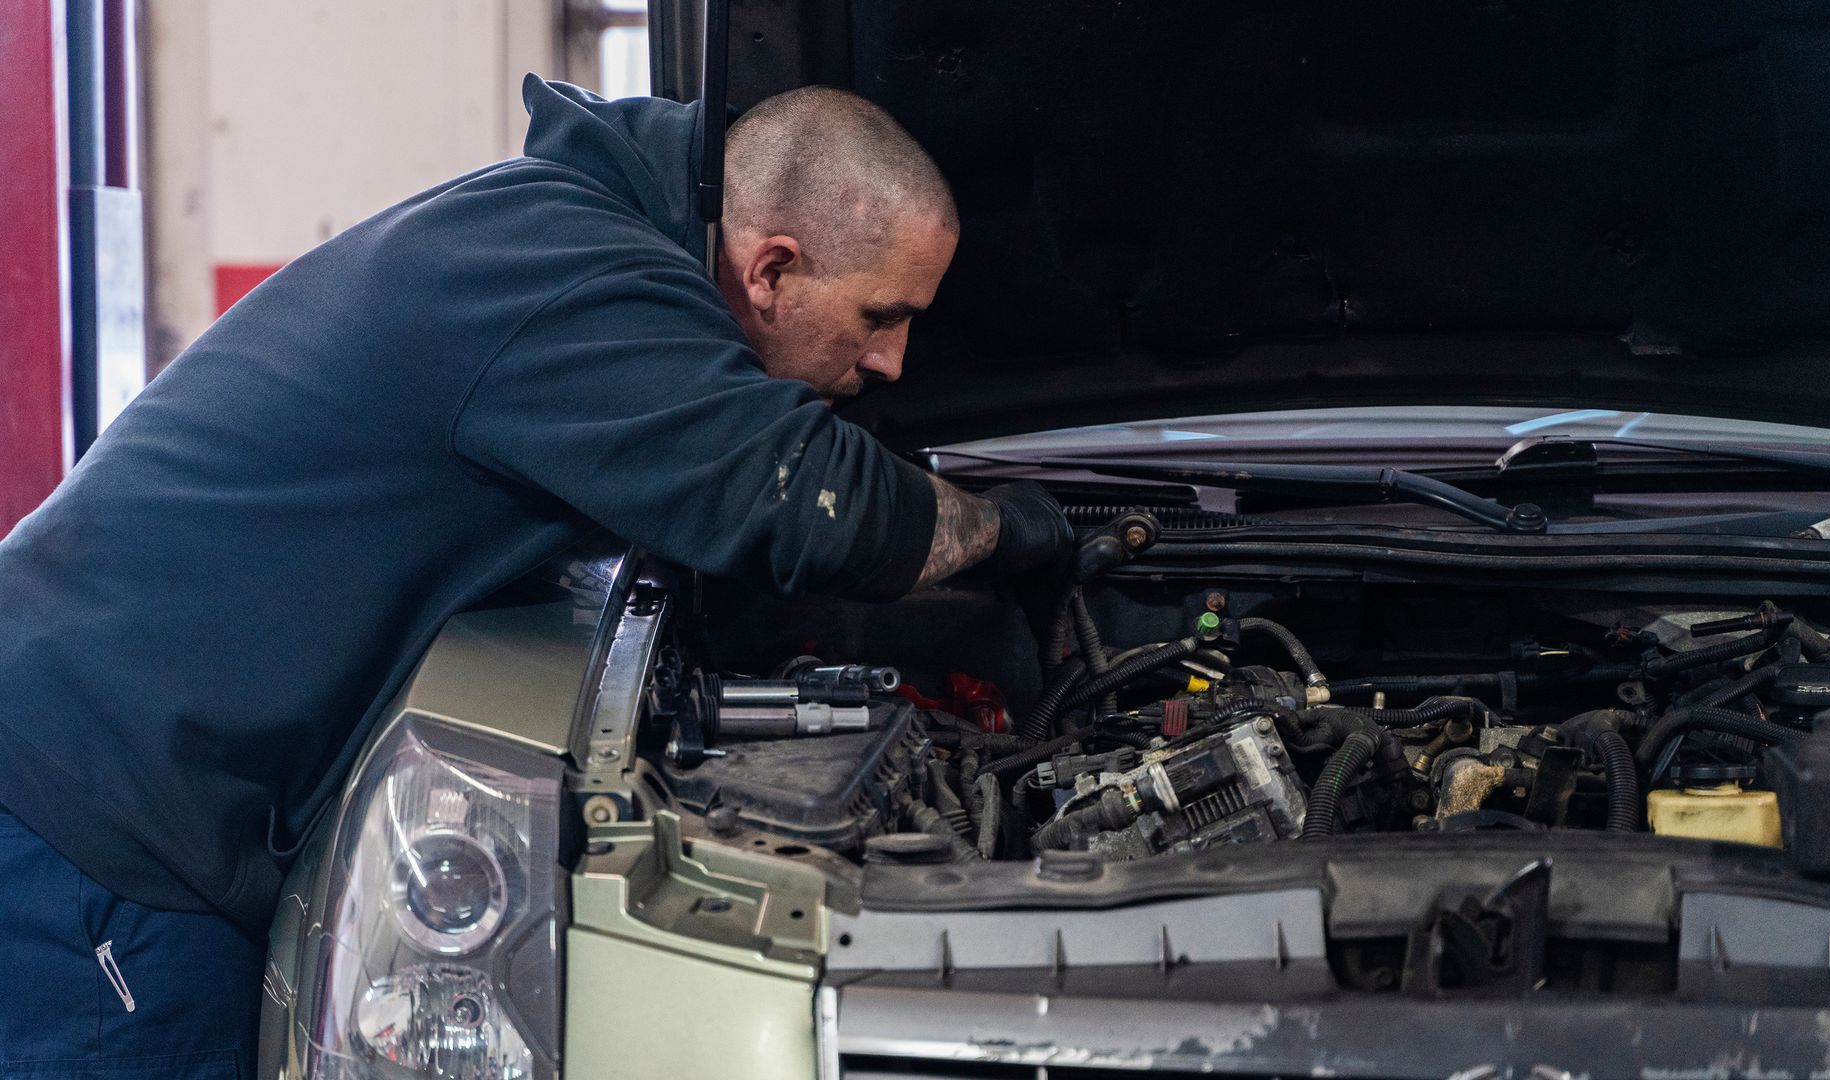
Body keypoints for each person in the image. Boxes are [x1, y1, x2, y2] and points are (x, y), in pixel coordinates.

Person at [0, 78, 1071, 1076]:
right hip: (90, 815)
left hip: (102, 779)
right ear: (773, 268)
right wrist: (1010, 530)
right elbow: (805, 502)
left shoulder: (562, 239)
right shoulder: (573, 277)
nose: (891, 363)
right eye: (882, 317)